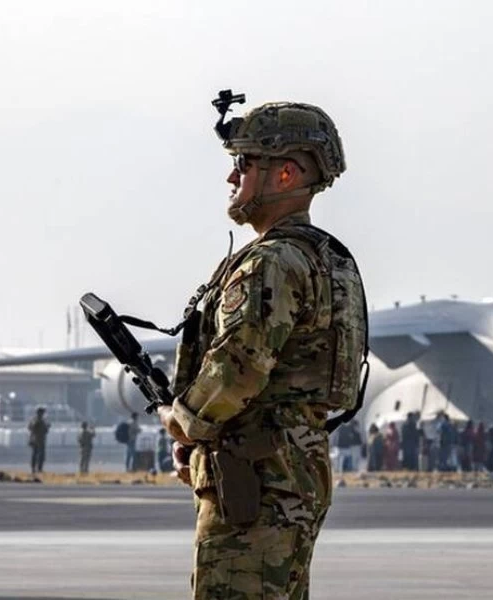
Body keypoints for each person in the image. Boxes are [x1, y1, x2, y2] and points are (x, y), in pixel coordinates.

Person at [155, 97, 364, 599]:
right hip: (295, 469)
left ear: (287, 175)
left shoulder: (271, 263)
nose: (233, 179)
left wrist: (182, 422)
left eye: (244, 164)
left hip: (254, 479)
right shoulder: (328, 261)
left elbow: (238, 369)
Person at [27, 406, 50, 475]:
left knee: (41, 456)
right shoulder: (36, 420)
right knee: (36, 455)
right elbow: (31, 427)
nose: (43, 414)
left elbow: (45, 431)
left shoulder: (41, 420)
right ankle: (34, 469)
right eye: (42, 412)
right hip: (36, 440)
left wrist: (47, 427)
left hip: (40, 439)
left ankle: (39, 469)